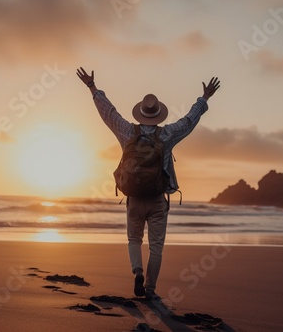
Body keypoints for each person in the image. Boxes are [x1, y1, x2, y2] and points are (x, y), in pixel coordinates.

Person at [76, 67, 220, 300]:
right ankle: (151, 290)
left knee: (134, 239)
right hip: (157, 200)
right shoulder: (167, 134)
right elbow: (189, 121)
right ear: (158, 115)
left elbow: (108, 113)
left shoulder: (126, 131)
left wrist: (92, 87)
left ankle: (137, 271)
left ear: (140, 113)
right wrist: (204, 98)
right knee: (156, 247)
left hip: (134, 198)